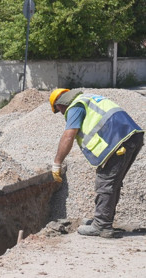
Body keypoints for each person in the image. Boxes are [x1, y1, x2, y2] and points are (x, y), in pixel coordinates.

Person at [49, 88, 144, 238]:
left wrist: (57, 163)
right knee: (113, 182)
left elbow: (69, 135)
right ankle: (103, 220)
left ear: (60, 105)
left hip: (117, 141)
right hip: (131, 136)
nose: (61, 114)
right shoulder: (89, 99)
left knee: (106, 181)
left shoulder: (75, 106)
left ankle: (102, 226)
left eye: (58, 110)